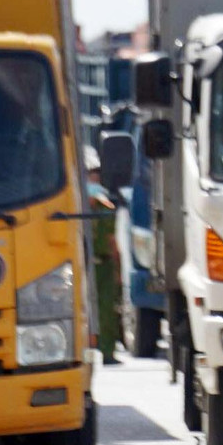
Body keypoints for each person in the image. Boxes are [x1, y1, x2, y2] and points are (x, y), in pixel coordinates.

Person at [85, 148, 120, 365]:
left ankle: (107, 352)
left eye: (97, 173)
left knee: (107, 309)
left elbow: (112, 241)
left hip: (104, 265)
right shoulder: (73, 205)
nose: (94, 177)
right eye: (91, 173)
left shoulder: (105, 207)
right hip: (83, 266)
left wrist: (117, 269)